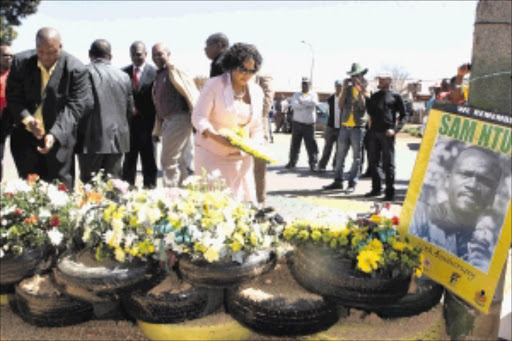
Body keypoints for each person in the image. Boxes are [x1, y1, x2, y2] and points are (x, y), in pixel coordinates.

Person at [6, 27, 90, 189]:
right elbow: (14, 98)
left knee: (60, 191)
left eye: (51, 52)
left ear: (60, 47)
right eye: (41, 52)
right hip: (26, 139)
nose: (45, 57)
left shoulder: (76, 69)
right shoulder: (20, 62)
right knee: (28, 193)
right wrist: (29, 121)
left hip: (59, 141)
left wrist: (54, 134)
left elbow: (75, 106)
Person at [192, 43, 264, 203]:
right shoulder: (214, 85)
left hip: (241, 160)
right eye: (242, 69)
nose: (246, 74)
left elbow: (257, 126)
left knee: (241, 205)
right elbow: (198, 117)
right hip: (212, 155)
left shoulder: (257, 92)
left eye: (251, 70)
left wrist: (255, 146)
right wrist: (216, 136)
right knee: (214, 207)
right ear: (231, 66)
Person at [410, 146, 502, 271]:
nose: (472, 185)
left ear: (493, 196)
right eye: (466, 174)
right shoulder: (419, 217)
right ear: (448, 181)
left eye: (484, 181)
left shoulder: (493, 247)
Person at [75, 39, 134, 183]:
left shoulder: (83, 72)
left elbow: (80, 106)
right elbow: (129, 109)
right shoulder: (124, 76)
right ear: (110, 56)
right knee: (113, 186)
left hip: (90, 141)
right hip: (117, 140)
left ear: (90, 54)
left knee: (90, 187)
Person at [151, 43, 199, 188]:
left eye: (160, 54)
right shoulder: (159, 75)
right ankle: (183, 194)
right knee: (180, 161)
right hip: (167, 121)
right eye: (154, 55)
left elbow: (191, 94)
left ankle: (170, 194)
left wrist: (198, 120)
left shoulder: (175, 71)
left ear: (168, 54)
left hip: (179, 118)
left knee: (168, 160)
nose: (157, 58)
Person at [323, 63, 368, 192]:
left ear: (361, 76)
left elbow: (362, 106)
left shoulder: (366, 89)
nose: (354, 78)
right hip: (345, 127)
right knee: (340, 155)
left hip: (357, 128)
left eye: (356, 76)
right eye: (352, 76)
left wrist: (360, 90)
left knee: (356, 157)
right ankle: (338, 181)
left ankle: (352, 184)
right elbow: (341, 105)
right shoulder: (346, 89)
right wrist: (344, 87)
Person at [121, 41, 158, 189]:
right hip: (129, 125)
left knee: (148, 157)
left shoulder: (155, 73)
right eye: (133, 55)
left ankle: (150, 187)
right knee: (129, 158)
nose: (135, 57)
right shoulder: (123, 73)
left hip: (148, 124)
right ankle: (126, 187)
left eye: (139, 54)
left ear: (145, 54)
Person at [365, 71, 406, 201]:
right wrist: (364, 96)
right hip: (374, 133)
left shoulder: (396, 96)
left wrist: (395, 130)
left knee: (388, 164)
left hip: (387, 134)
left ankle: (389, 193)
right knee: (373, 162)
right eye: (379, 79)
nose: (380, 81)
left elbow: (404, 115)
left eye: (382, 79)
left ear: (389, 80)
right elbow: (369, 111)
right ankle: (376, 189)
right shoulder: (375, 96)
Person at [284, 77, 319, 172]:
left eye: (306, 83)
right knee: (295, 144)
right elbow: (294, 104)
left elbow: (314, 103)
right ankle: (292, 162)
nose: (304, 85)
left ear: (310, 85)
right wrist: (306, 105)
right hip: (297, 123)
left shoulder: (313, 94)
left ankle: (313, 163)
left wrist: (302, 102)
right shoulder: (296, 94)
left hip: (309, 124)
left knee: (311, 145)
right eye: (303, 83)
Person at [254, 73, 274, 206]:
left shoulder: (263, 76)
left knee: (259, 169)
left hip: (258, 128)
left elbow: (267, 103)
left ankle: (260, 203)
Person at [317, 79, 343, 172]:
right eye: (337, 86)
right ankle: (322, 165)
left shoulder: (345, 98)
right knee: (327, 147)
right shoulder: (331, 98)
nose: (338, 88)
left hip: (341, 127)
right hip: (330, 126)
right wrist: (325, 128)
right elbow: (327, 113)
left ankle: (335, 166)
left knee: (339, 149)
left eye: (340, 86)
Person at [0, 44, 13, 181]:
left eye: (11, 56)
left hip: (9, 119)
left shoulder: (15, 75)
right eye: (5, 55)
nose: (8, 58)